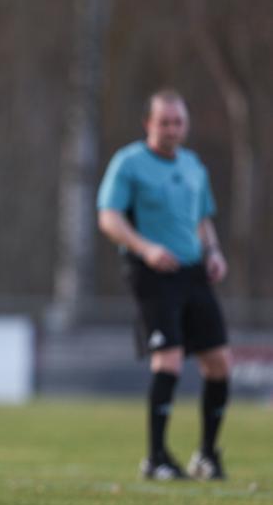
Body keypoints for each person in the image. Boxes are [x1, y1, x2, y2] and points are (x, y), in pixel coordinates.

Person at [97, 89, 230, 480]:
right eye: (165, 122)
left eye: (178, 122)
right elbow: (109, 217)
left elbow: (202, 219)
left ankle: (207, 454)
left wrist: (214, 251)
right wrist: (146, 247)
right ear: (148, 124)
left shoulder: (193, 166)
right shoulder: (129, 163)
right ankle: (156, 457)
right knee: (169, 358)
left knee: (219, 362)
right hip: (151, 272)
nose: (172, 129)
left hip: (193, 271)